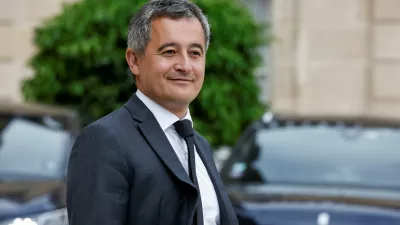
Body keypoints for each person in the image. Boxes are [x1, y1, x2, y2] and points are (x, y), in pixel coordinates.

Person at [66, 0, 239, 225]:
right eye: (169, 52)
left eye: (195, 53)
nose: (185, 65)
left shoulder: (200, 146)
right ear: (134, 61)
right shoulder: (103, 141)